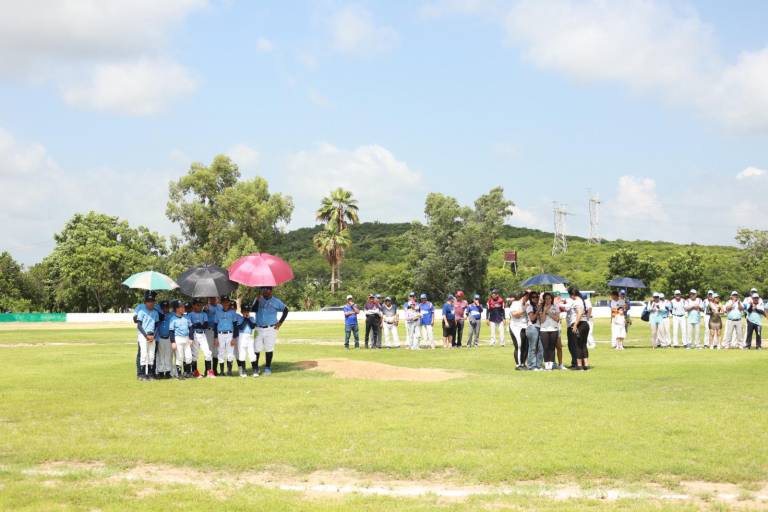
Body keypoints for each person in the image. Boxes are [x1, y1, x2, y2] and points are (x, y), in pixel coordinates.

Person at [252, 286, 288, 376]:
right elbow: (253, 310)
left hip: (271, 328)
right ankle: (255, 368)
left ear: (271, 291)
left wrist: (280, 322)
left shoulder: (276, 301)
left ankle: (267, 368)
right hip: (258, 328)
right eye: (263, 289)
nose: (264, 291)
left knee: (269, 348)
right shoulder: (258, 299)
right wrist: (257, 300)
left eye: (267, 290)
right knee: (256, 348)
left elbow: (286, 310)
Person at [134, 291, 159, 380]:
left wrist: (154, 336)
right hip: (143, 335)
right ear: (145, 302)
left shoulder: (155, 312)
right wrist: (146, 336)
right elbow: (139, 325)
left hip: (152, 335)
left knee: (151, 355)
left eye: (152, 301)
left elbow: (157, 325)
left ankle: (151, 373)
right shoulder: (141, 311)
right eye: (149, 301)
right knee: (144, 354)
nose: (151, 303)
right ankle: (142, 374)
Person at [188, 299, 214, 378]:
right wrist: (198, 325)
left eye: (201, 305)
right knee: (195, 354)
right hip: (194, 335)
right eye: (198, 305)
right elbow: (191, 326)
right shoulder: (190, 314)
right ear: (193, 305)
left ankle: (209, 372)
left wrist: (197, 325)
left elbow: (205, 325)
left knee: (208, 353)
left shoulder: (204, 314)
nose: (200, 306)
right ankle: (195, 372)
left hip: (202, 334)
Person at [567, 286, 591, 370]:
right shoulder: (582, 300)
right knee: (583, 345)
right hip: (585, 324)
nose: (570, 297)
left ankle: (579, 365)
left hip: (580, 324)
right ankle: (586, 365)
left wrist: (575, 325)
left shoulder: (577, 301)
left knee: (577, 345)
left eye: (569, 295)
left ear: (572, 294)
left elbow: (579, 313)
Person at [169, 300, 193, 379]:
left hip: (186, 339)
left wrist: (191, 338)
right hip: (178, 339)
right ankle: (179, 374)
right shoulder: (173, 319)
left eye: (183, 307)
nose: (183, 308)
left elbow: (191, 328)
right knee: (179, 357)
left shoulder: (186, 317)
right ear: (177, 309)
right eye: (181, 307)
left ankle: (187, 373)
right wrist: (173, 342)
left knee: (189, 357)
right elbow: (171, 331)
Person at [539, 292, 560, 370]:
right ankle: (546, 365)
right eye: (546, 298)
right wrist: (544, 311)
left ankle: (550, 365)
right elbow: (542, 320)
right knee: (546, 348)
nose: (548, 300)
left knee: (552, 348)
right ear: (544, 299)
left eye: (549, 298)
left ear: (552, 299)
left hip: (554, 329)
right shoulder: (541, 307)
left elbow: (557, 319)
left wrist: (549, 312)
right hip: (544, 329)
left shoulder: (556, 307)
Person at [235, 303, 257, 377]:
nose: (246, 312)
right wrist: (245, 319)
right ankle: (243, 371)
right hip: (242, 336)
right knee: (242, 353)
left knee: (251, 353)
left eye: (247, 311)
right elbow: (240, 327)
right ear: (242, 312)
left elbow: (252, 326)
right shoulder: (239, 318)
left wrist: (247, 318)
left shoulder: (252, 318)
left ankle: (255, 370)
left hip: (250, 337)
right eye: (244, 311)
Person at [508, 291, 529, 368]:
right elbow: (514, 314)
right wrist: (524, 309)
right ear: (523, 296)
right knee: (519, 346)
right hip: (516, 327)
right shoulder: (515, 304)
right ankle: (518, 365)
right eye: (527, 296)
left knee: (526, 346)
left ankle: (523, 363)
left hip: (525, 327)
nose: (528, 298)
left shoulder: (526, 304)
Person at [524, 291, 543, 370]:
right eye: (533, 297)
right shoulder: (529, 307)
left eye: (536, 297)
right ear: (530, 298)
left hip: (539, 327)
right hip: (532, 328)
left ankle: (538, 365)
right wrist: (538, 310)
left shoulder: (537, 306)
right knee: (533, 348)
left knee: (541, 348)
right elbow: (532, 318)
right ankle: (531, 365)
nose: (535, 298)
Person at [205, 297, 223, 375]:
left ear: (217, 298)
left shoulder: (220, 307)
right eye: (211, 298)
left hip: (218, 331)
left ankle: (215, 370)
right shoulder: (207, 307)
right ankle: (207, 370)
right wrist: (205, 310)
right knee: (208, 351)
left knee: (216, 351)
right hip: (209, 330)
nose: (212, 299)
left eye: (214, 298)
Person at [155, 301, 173, 379]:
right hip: (160, 337)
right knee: (161, 355)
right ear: (161, 308)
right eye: (164, 307)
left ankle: (168, 371)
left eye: (167, 307)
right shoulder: (159, 315)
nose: (166, 309)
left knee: (168, 355)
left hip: (169, 337)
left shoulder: (172, 315)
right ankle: (161, 371)